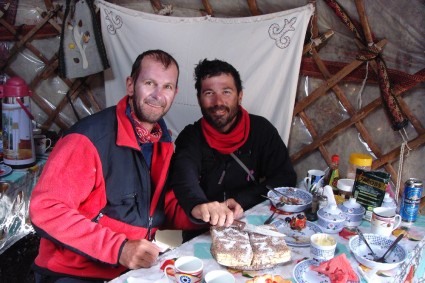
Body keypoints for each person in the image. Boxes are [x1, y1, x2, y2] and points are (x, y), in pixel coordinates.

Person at [29, 50, 233, 282]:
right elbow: (46, 209)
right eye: (149, 83)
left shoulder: (161, 141)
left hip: (129, 270)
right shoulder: (89, 139)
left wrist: (199, 211)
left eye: (167, 87)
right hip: (73, 273)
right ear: (130, 85)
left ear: (175, 93)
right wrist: (119, 248)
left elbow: (161, 208)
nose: (158, 95)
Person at [169, 58, 297, 242]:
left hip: (253, 226)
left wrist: (243, 199)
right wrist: (202, 206)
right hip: (204, 232)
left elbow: (285, 177)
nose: (218, 101)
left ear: (240, 95)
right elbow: (183, 180)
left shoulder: (261, 130)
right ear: (199, 99)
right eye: (209, 93)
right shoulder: (190, 138)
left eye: (226, 92)